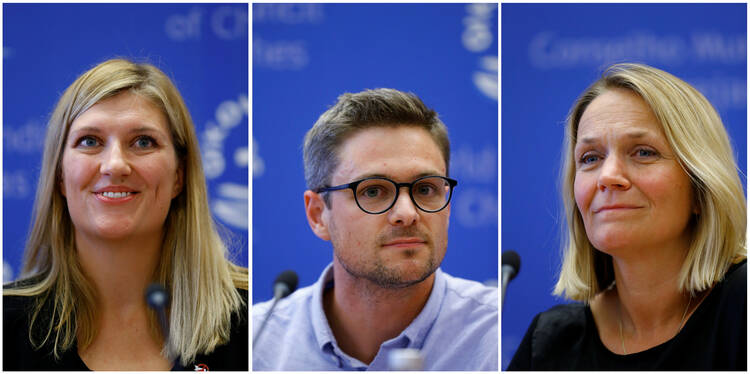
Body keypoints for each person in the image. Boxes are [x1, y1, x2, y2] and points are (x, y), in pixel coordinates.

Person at [3, 59, 248, 371]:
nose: (115, 164)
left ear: (179, 176)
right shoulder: (5, 330)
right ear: (60, 176)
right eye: (90, 141)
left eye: (143, 142)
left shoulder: (253, 323)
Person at [507, 63, 746, 370]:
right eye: (590, 158)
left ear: (701, 187)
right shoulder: (551, 342)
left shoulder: (742, 307)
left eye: (643, 152)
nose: (608, 176)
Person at [252, 88, 498, 370]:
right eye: (372, 191)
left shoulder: (492, 335)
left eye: (425, 189)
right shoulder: (259, 343)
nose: (407, 214)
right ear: (318, 214)